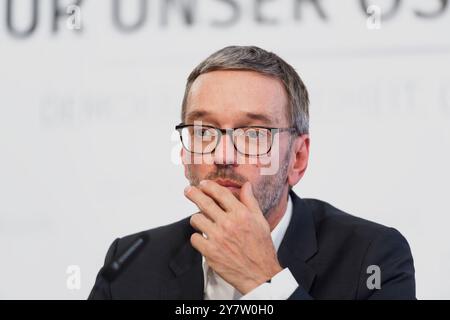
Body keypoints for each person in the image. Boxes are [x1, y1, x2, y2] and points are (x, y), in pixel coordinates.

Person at [89, 45, 415, 300]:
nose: (223, 155)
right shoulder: (131, 263)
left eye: (253, 134)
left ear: (298, 157)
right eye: (204, 131)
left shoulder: (372, 258)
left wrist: (264, 282)